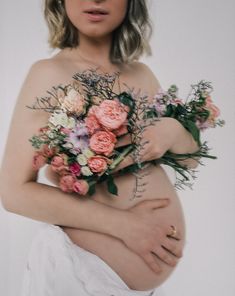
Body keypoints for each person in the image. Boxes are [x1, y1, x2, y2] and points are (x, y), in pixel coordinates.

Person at [0, 0, 199, 295]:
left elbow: (189, 162)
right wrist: (125, 227)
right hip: (76, 273)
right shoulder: (49, 74)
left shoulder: (142, 74)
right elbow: (13, 193)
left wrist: (174, 132)